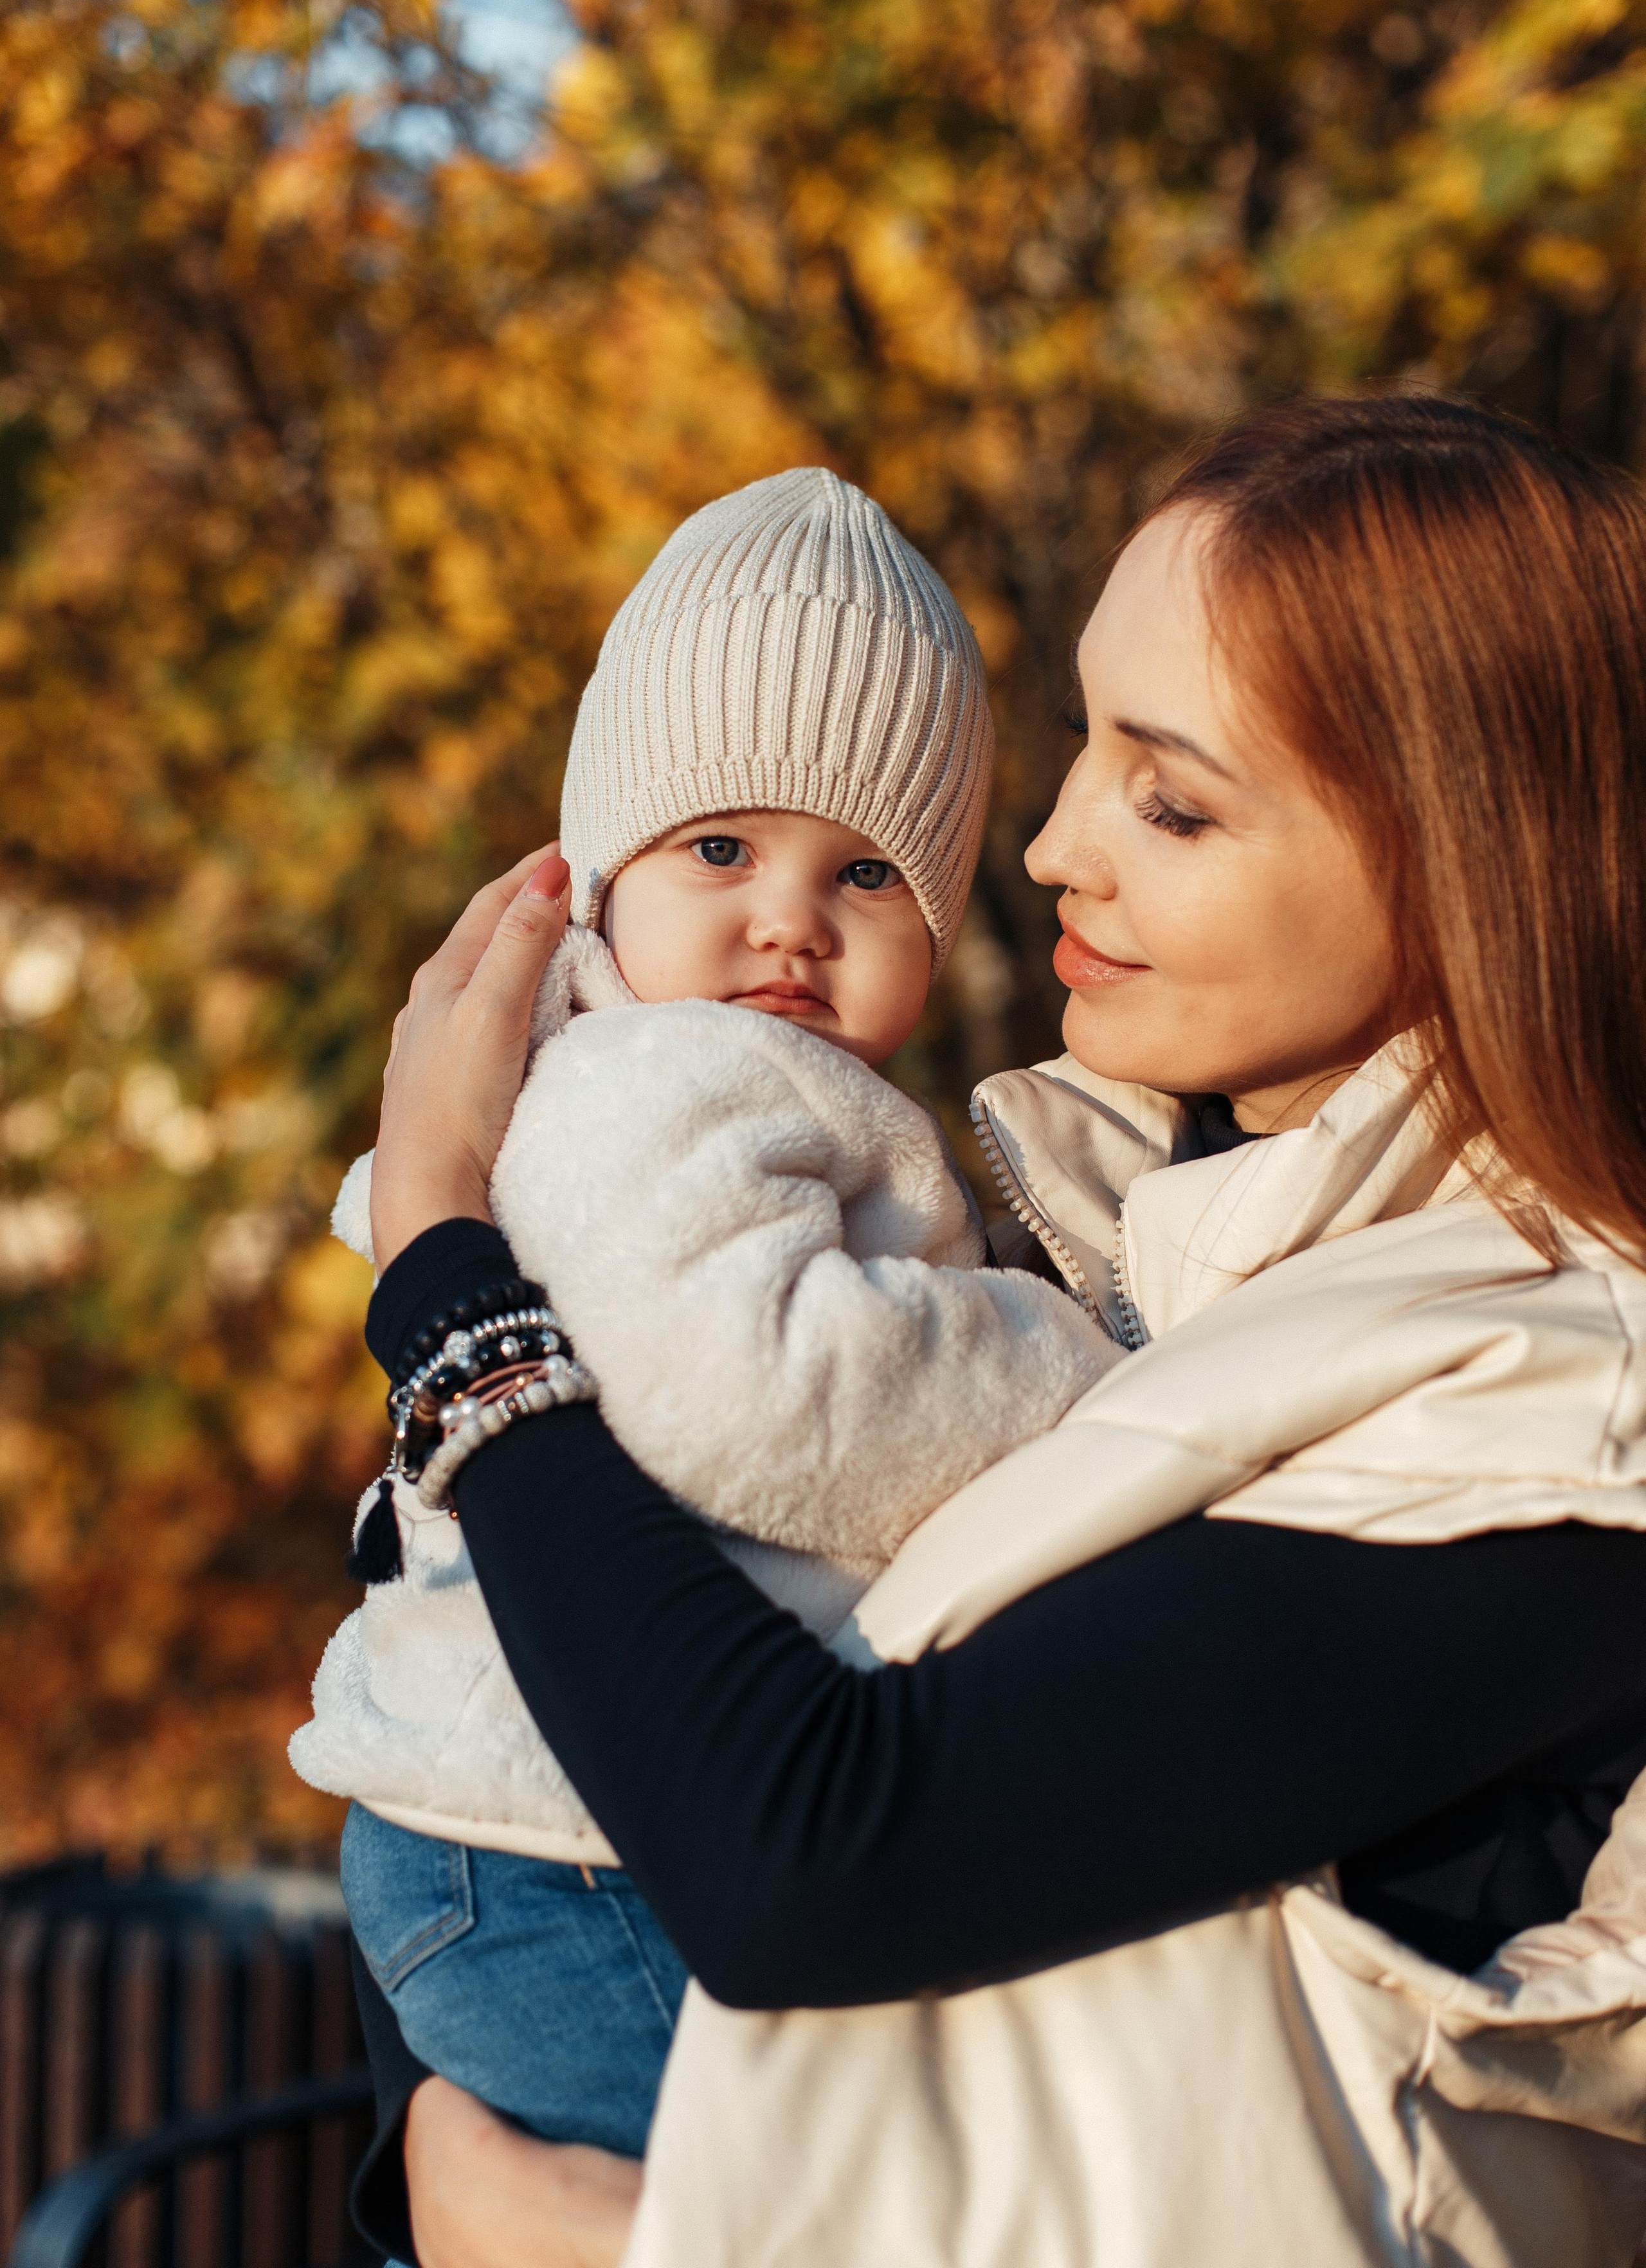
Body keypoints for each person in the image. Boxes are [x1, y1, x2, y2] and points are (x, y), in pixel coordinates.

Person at [350, 396, 1646, 2268]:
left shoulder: (1555, 1409)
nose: (1048, 849)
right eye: (1082, 749)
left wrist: (447, 1278)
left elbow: (809, 1858)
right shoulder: (1180, 1246)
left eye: (1170, 800)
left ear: (1473, 862)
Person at [291, 469, 1116, 2161]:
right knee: (801, 2200)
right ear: (596, 877)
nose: (789, 921)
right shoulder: (654, 1082)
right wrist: (1065, 1364)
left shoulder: (696, 1078)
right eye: (721, 848)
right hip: (559, 1858)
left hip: (557, 1828)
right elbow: (756, 1391)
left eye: (866, 873)